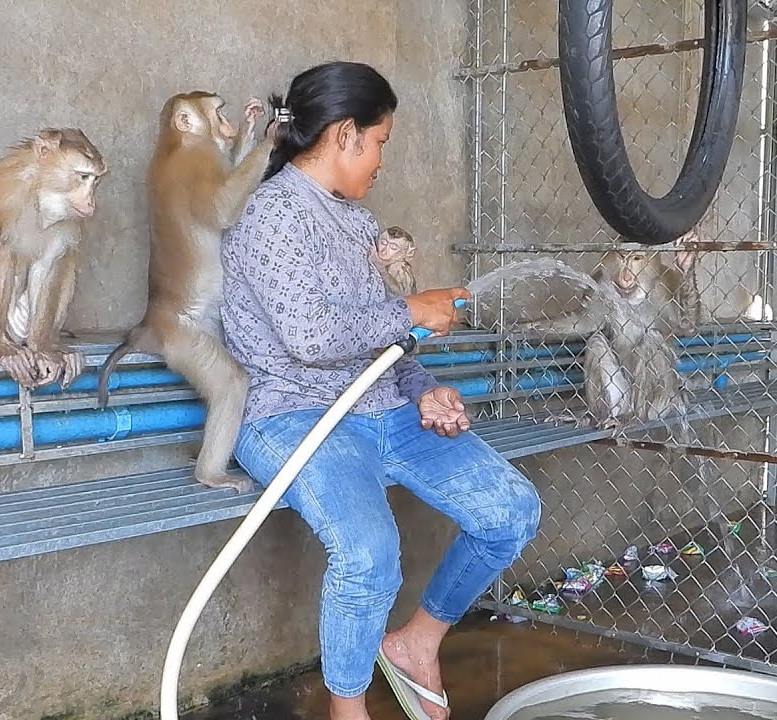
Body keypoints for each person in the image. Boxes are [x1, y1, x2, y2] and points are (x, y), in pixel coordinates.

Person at [220, 61, 542, 720]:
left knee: (510, 510)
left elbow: (383, 349)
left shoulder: (361, 226)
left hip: (383, 409)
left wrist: (423, 388)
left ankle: (416, 642)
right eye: (381, 142)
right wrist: (413, 310)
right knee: (369, 552)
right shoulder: (269, 213)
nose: (382, 161)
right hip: (292, 415)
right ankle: (347, 710)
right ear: (346, 135)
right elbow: (309, 339)